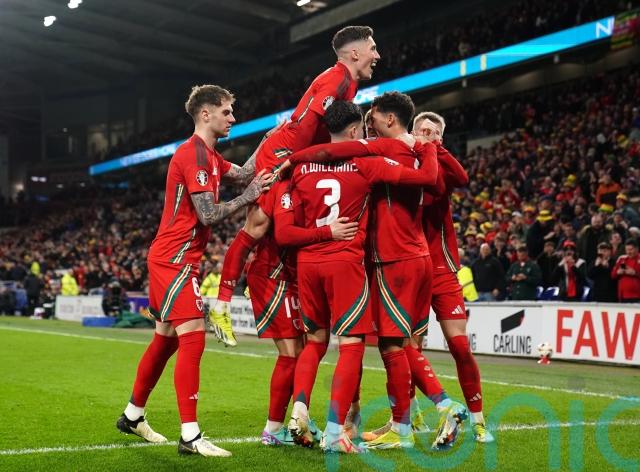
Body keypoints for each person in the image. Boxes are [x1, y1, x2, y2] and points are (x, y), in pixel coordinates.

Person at [116, 85, 272, 458]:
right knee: (193, 337)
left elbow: (246, 172)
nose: (233, 118)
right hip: (175, 259)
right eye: (227, 111)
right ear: (206, 114)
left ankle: (133, 415)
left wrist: (272, 138)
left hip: (177, 257)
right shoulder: (194, 156)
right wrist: (248, 198)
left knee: (166, 339)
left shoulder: (211, 157)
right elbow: (208, 214)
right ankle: (190, 435)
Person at [280, 100, 439, 453]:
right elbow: (425, 179)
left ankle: (300, 410)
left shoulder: (300, 168)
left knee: (314, 342)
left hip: (307, 264)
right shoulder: (366, 163)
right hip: (345, 263)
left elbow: (284, 231)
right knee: (351, 345)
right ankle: (336, 432)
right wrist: (427, 149)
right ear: (354, 130)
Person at [211, 26, 381, 338]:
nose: (377, 55)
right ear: (355, 53)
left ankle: (254, 280)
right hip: (284, 153)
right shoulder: (338, 79)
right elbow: (304, 129)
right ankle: (222, 304)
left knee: (280, 223)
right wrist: (296, 163)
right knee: (258, 225)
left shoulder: (347, 82)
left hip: (288, 149)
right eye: (372, 49)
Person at [611, 238, 640, 302]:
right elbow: (612, 275)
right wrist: (618, 272)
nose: (628, 252)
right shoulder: (621, 258)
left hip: (637, 296)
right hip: (623, 295)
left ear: (637, 249)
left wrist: (635, 273)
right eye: (627, 250)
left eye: (631, 249)